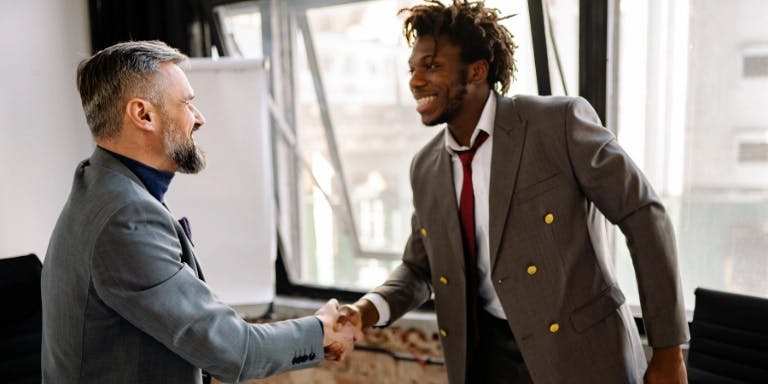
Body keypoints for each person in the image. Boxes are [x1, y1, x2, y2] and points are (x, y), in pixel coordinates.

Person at [339, 1, 689, 383]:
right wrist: (364, 311)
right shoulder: (425, 167)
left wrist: (668, 351)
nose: (415, 80)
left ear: (477, 71)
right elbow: (419, 269)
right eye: (413, 68)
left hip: (581, 356)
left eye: (432, 66)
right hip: (488, 362)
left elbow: (644, 214)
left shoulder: (557, 124)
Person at [41, 40, 359, 384]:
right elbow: (235, 352)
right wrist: (320, 331)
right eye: (187, 103)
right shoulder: (125, 217)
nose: (199, 118)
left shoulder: (98, 184)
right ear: (143, 114)